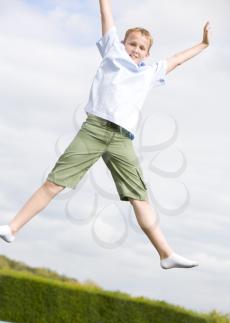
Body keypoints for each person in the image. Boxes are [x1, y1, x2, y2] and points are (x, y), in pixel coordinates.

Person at [0, 0, 211, 269]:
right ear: (122, 43)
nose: (136, 49)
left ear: (147, 53)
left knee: (140, 198)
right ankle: (13, 228)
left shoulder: (150, 72)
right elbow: (106, 12)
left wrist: (203, 44)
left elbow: (177, 60)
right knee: (55, 183)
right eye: (132, 43)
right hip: (95, 129)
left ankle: (166, 254)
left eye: (141, 47)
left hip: (122, 139)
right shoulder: (112, 52)